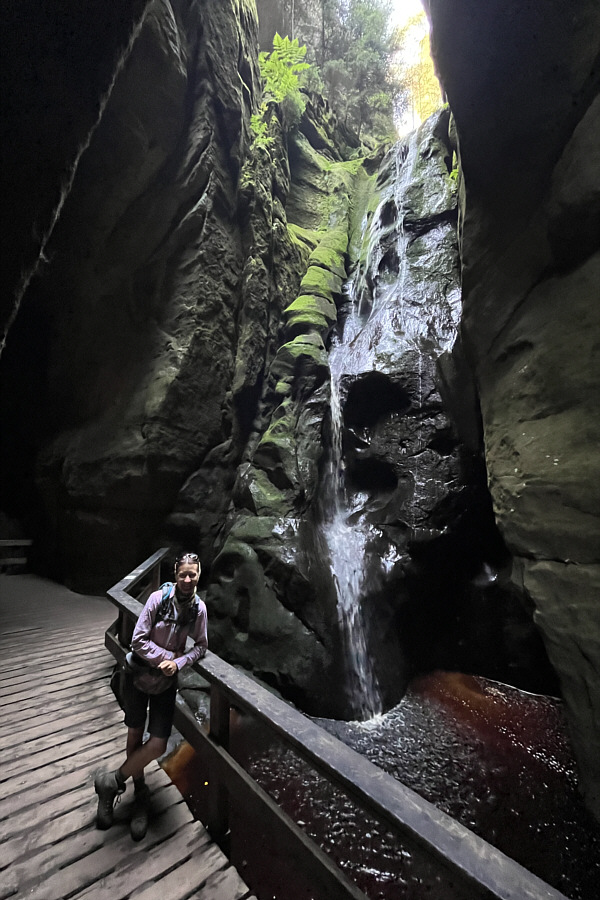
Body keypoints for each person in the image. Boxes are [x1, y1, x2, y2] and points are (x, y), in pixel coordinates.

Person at [94, 552, 208, 840]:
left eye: (192, 574)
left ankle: (111, 782)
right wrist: (168, 657)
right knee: (134, 734)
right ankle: (139, 793)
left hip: (165, 685)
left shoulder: (198, 610)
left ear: (198, 575)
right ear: (175, 574)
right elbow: (137, 640)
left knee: (156, 744)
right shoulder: (158, 600)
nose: (187, 579)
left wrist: (180, 664)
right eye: (182, 574)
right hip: (139, 677)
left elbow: (201, 646)